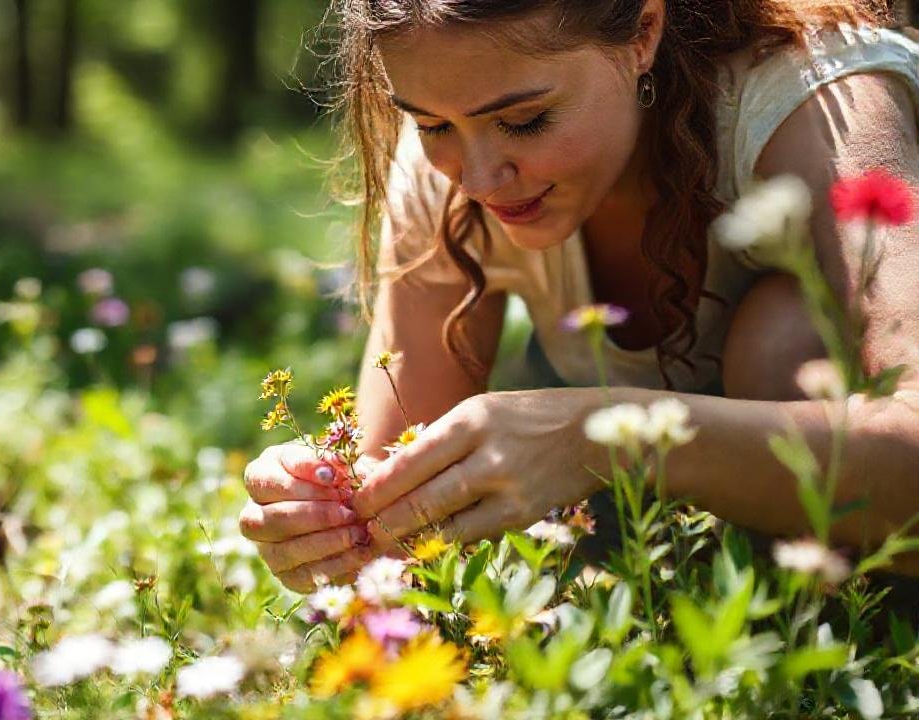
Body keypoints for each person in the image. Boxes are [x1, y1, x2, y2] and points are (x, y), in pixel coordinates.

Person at [239, 0, 919, 592]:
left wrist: (605, 438)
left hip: (873, 559)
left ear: (643, 31)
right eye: (432, 126)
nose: (477, 176)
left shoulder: (819, 104)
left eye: (527, 120)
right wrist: (325, 517)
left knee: (784, 338)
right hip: (656, 557)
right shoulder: (447, 177)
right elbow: (394, 506)